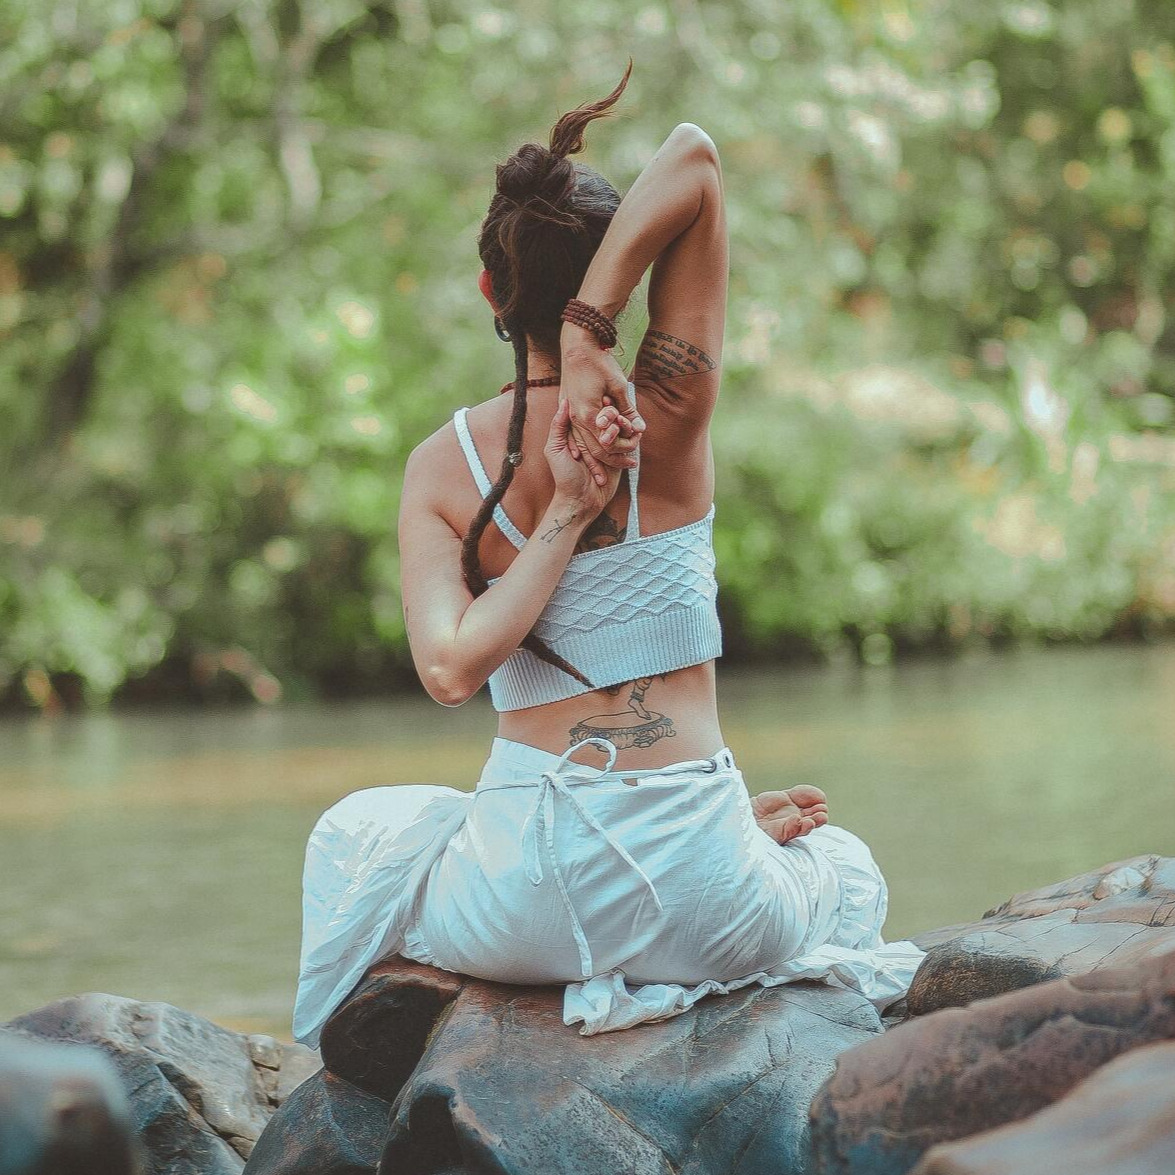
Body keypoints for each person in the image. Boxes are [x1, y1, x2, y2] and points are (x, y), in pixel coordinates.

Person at [293, 68, 923, 1047]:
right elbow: (694, 159)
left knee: (358, 834)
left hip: (524, 902)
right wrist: (593, 332)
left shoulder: (440, 467)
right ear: (618, 271)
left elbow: (449, 670)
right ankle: (726, 844)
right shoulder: (665, 409)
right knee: (841, 864)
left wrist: (553, 509)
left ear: (489, 290)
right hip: (708, 899)